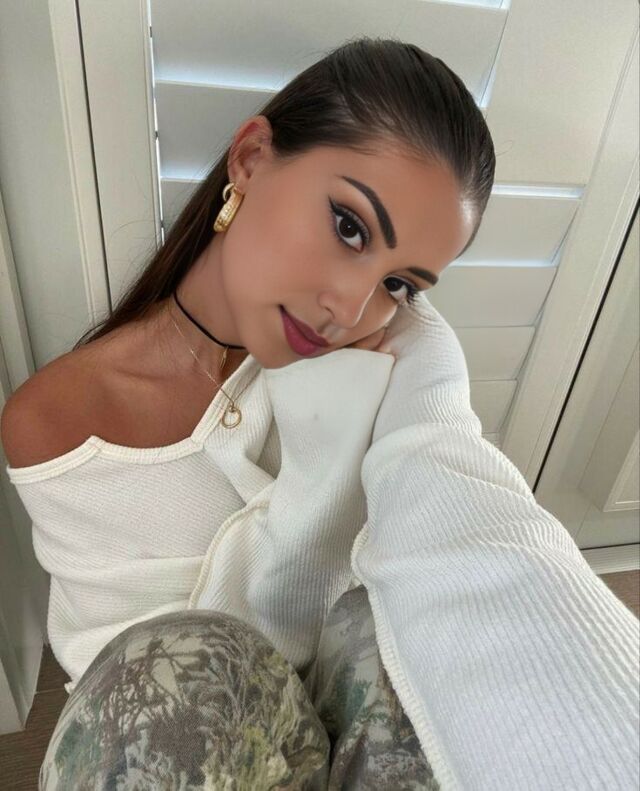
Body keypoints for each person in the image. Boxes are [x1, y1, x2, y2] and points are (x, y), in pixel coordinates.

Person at [1, 36, 637, 791]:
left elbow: (466, 511)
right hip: (180, 747)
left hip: (333, 708)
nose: (351, 308)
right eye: (349, 227)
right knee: (173, 670)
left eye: (400, 283)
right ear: (250, 160)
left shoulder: (395, 352)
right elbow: (123, 693)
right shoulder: (61, 420)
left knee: (398, 637)